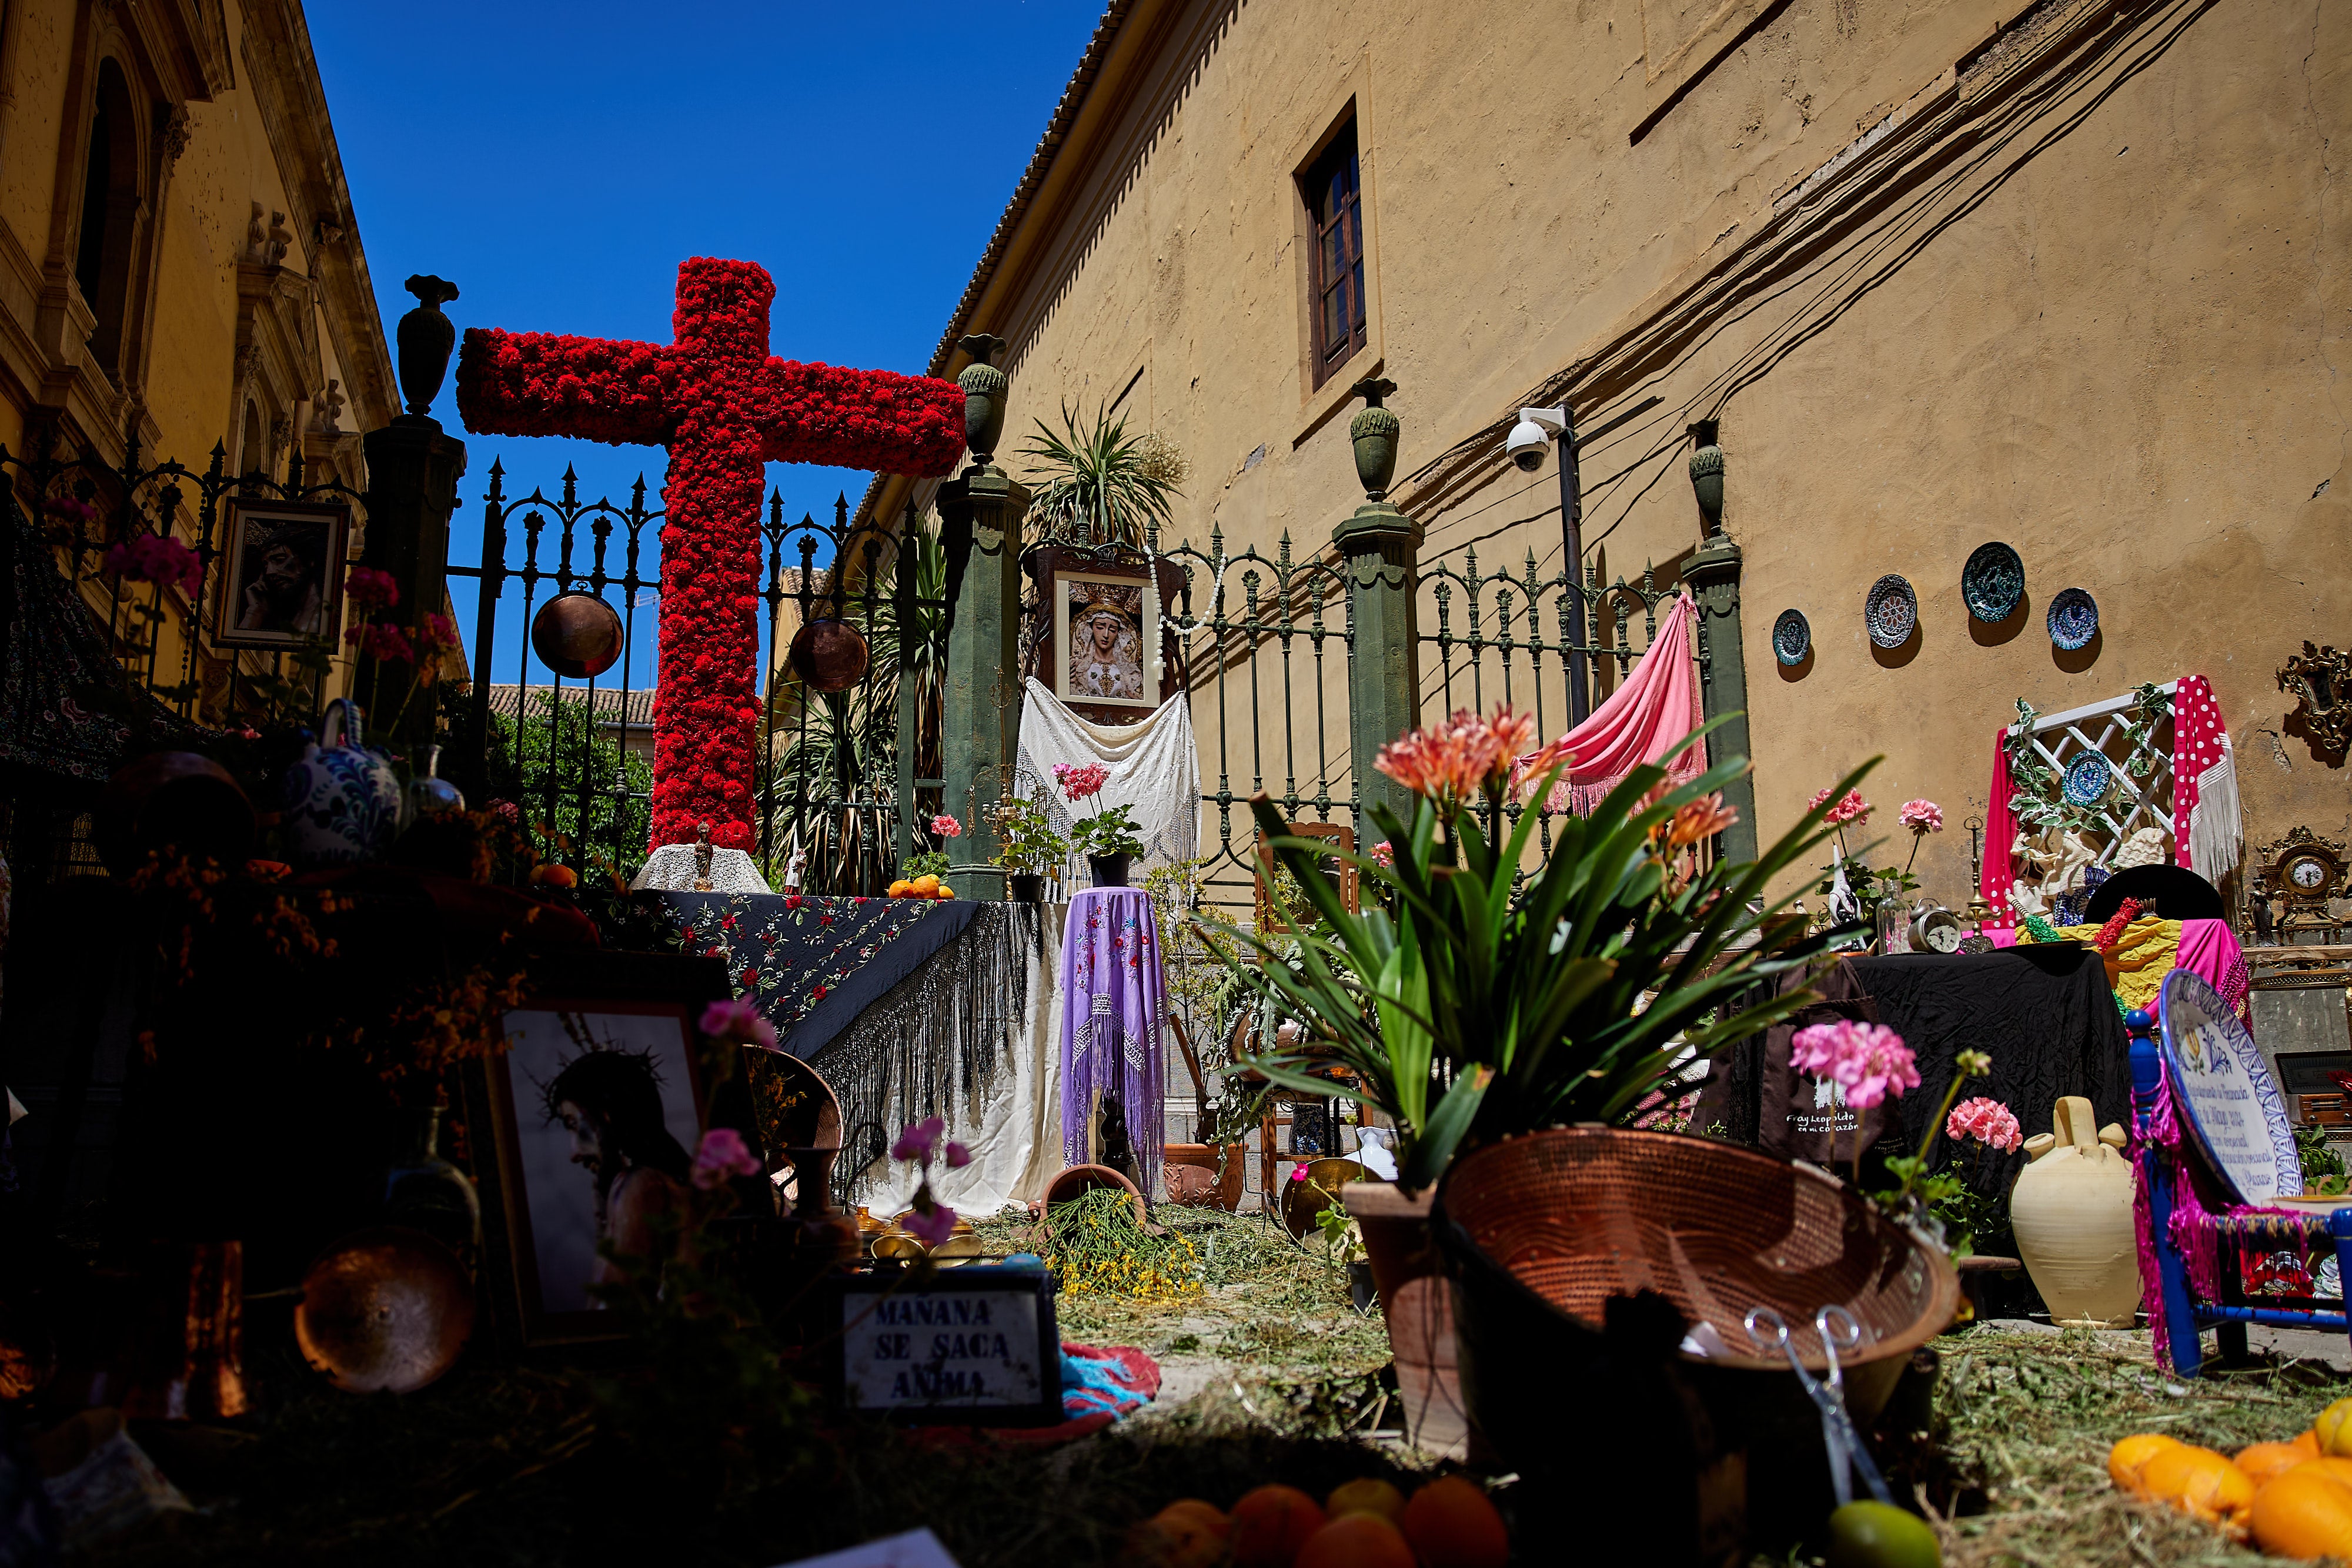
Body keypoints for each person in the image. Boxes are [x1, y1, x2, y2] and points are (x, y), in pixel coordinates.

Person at [542, 1047, 693, 1296]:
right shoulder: (672, 1181)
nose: (574, 1153)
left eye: (573, 1124)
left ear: (606, 1118)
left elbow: (613, 1304)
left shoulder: (641, 1185)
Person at [236, 525, 325, 635]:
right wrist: (255, 613)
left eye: (279, 560)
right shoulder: (279, 616)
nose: (269, 572)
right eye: (265, 566)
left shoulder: (322, 618)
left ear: (310, 559)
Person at [1070, 604, 1145, 701]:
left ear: (1119, 633)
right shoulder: (1078, 666)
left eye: (1112, 630)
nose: (1106, 635)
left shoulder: (1129, 670)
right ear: (1090, 629)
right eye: (1100, 628)